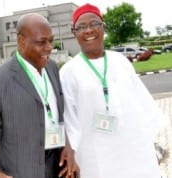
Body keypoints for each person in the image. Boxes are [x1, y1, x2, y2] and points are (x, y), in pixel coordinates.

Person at [60, 3, 168, 178]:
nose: (88, 31)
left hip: (132, 146)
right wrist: (71, 152)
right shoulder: (68, 71)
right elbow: (67, 118)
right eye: (81, 27)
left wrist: (151, 144)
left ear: (104, 27)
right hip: (94, 153)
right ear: (74, 33)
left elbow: (141, 103)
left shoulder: (120, 61)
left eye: (94, 24)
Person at [0, 13, 78, 178]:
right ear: (21, 41)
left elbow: (57, 115)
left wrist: (67, 146)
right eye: (41, 42)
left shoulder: (52, 68)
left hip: (58, 165)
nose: (48, 48)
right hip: (22, 170)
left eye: (51, 41)